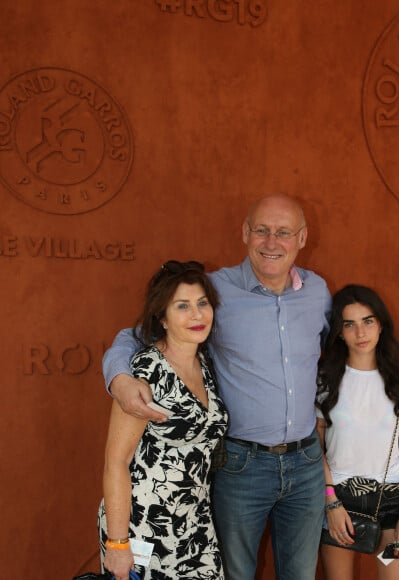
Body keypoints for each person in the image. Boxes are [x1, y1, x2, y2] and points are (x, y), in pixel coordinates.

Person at [102, 194, 332, 580]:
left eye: (283, 233)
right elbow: (138, 333)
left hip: (306, 463)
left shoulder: (317, 292)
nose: (271, 242)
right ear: (245, 233)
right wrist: (119, 378)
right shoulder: (214, 292)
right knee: (236, 574)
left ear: (302, 238)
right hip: (243, 466)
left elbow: (340, 351)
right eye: (261, 230)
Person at [98, 260, 229, 580]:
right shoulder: (145, 370)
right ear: (163, 317)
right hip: (144, 526)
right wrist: (117, 545)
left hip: (195, 523)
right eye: (182, 306)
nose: (197, 314)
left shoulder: (205, 362)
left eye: (202, 303)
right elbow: (117, 460)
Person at [316, 285, 399, 580]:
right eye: (349, 324)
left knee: (394, 574)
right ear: (338, 332)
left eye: (368, 321)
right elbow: (316, 447)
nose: (360, 333)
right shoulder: (326, 380)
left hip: (391, 505)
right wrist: (331, 503)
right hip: (340, 504)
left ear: (381, 324)